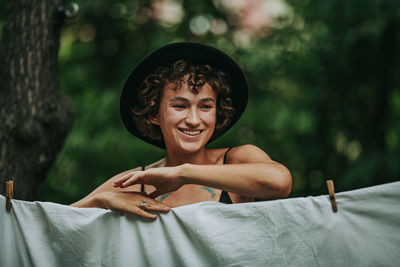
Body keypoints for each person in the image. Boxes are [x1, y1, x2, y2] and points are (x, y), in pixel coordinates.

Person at [71, 42, 292, 219]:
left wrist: (182, 174)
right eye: (180, 106)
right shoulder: (135, 181)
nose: (194, 120)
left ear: (218, 113)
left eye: (206, 106)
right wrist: (100, 201)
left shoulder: (236, 159)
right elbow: (54, 222)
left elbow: (280, 182)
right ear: (153, 114)